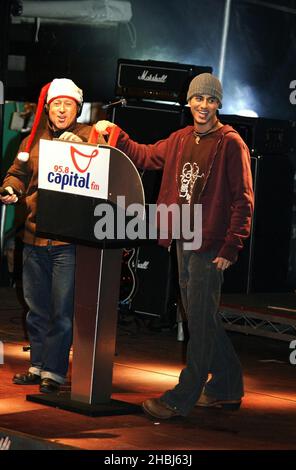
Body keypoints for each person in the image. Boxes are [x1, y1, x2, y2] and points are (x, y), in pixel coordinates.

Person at [95, 73, 254, 419]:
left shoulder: (230, 143)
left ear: (218, 105)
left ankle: (182, 397)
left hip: (209, 242)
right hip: (183, 235)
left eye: (211, 100)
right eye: (198, 99)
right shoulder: (181, 139)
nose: (203, 105)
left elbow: (244, 200)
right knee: (201, 318)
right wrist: (116, 136)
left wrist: (231, 246)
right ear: (189, 102)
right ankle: (226, 386)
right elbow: (147, 156)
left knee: (198, 319)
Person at [0, 78, 104, 393]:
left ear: (77, 108)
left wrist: (82, 146)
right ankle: (37, 365)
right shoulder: (32, 139)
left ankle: (54, 372)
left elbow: (102, 168)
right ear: (48, 108)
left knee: (61, 311)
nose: (61, 109)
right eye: (56, 103)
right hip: (33, 236)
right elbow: (18, 174)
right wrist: (10, 188)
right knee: (37, 308)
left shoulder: (90, 137)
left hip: (67, 241)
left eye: (68, 104)